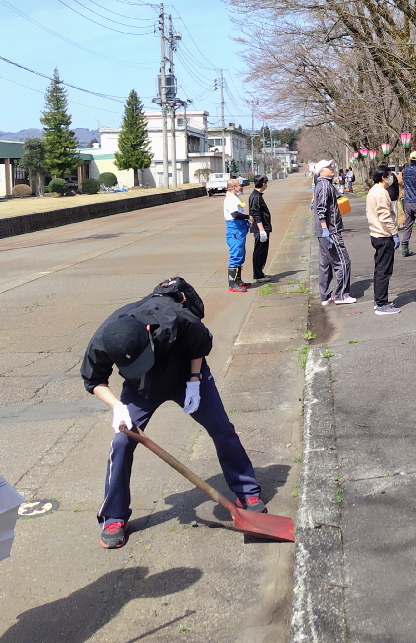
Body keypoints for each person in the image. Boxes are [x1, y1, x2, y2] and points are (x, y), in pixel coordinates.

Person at [82, 277, 264, 549]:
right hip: (141, 389)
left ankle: (247, 492)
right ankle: (114, 515)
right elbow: (94, 380)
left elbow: (199, 347)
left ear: (147, 331)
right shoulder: (105, 337)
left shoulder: (179, 318)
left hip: (185, 376)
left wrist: (193, 382)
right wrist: (117, 406)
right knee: (121, 443)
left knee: (221, 428)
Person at [313, 160, 354, 304]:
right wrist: (325, 229)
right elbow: (321, 209)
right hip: (330, 230)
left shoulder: (322, 184)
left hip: (324, 231)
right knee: (343, 261)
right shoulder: (324, 185)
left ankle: (325, 296)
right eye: (328, 167)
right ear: (321, 171)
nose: (332, 168)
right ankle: (341, 295)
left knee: (325, 263)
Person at [366, 167, 401, 315]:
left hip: (376, 234)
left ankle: (379, 300)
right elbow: (385, 215)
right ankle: (381, 303)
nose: (392, 178)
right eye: (389, 176)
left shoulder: (374, 190)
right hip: (383, 235)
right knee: (384, 270)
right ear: (383, 177)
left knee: (380, 269)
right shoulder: (381, 193)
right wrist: (394, 233)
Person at [223, 177, 251, 292]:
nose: (241, 187)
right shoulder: (230, 199)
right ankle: (232, 284)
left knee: (240, 254)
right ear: (234, 187)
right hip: (235, 229)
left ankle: (238, 280)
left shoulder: (234, 197)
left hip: (240, 229)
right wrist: (248, 217)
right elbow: (235, 214)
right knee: (236, 254)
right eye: (239, 185)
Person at [248, 175, 273, 281]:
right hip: (260, 229)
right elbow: (256, 214)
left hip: (263, 228)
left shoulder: (258, 195)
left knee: (263, 251)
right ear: (263, 184)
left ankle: (260, 272)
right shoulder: (255, 197)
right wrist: (261, 229)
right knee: (259, 251)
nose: (266, 185)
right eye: (266, 183)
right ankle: (257, 274)